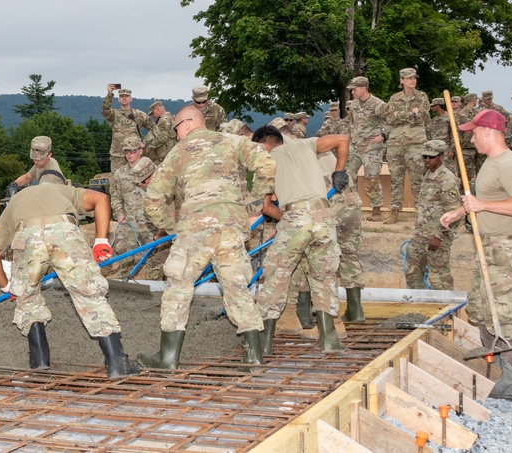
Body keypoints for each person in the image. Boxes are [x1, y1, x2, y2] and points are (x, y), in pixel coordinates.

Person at [140, 106, 276, 367]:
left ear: (187, 124)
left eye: (176, 128)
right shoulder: (232, 141)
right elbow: (266, 162)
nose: (176, 134)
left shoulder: (176, 153)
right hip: (230, 228)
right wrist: (253, 203)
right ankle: (253, 355)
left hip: (195, 228)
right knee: (237, 288)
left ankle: (168, 358)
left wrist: (171, 227)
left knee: (178, 287)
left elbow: (154, 199)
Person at [0, 175, 140, 379]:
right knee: (88, 293)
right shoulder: (66, 191)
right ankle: (118, 363)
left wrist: (8, 287)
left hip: (27, 235)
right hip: (64, 232)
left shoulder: (17, 199)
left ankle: (39, 360)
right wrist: (101, 240)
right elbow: (101, 199)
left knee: (28, 298)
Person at [440, 109, 512, 402]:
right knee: (482, 307)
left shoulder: (508, 164)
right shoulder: (490, 163)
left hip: (504, 248)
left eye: (473, 132)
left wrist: (481, 204)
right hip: (488, 245)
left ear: (489, 132)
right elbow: (486, 202)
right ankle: (494, 364)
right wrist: (460, 211)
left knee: (505, 312)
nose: (470, 137)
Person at [252, 126, 349, 354]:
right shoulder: (306, 144)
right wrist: (339, 172)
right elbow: (342, 138)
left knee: (277, 276)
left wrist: (286, 220)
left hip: (295, 217)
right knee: (324, 277)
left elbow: (266, 207)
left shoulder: (267, 162)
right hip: (323, 217)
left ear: (263, 145)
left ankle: (264, 344)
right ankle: (329, 340)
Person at [406, 140, 461, 290]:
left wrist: (439, 237)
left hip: (436, 237)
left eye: (432, 157)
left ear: (441, 156)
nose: (427, 160)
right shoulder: (429, 174)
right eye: (425, 157)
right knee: (412, 270)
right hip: (421, 235)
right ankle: (418, 307)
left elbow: (455, 212)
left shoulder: (446, 179)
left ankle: (446, 309)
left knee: (439, 276)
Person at [109, 137, 166, 280]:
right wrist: (119, 214)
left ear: (140, 151)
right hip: (129, 223)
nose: (129, 154)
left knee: (154, 258)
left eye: (133, 151)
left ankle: (155, 286)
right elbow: (116, 197)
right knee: (125, 256)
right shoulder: (119, 174)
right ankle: (123, 284)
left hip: (150, 224)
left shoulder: (153, 171)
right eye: (126, 151)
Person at [380, 67, 430, 224]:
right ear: (402, 80)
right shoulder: (394, 98)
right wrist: (410, 114)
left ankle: (421, 213)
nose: (412, 80)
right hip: (396, 144)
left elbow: (421, 116)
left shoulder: (422, 97)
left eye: (414, 78)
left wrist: (400, 115)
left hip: (415, 144)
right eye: (409, 78)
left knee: (417, 180)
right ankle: (394, 211)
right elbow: (389, 118)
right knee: (396, 179)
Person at [346, 76, 387, 222]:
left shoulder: (378, 104)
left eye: (354, 89)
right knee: (348, 177)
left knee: (371, 178)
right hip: (355, 147)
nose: (352, 92)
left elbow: (392, 119)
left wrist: (383, 134)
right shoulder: (354, 104)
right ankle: (351, 208)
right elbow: (351, 123)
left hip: (372, 148)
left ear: (363, 88)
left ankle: (376, 211)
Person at [102, 85, 155, 172]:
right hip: (118, 155)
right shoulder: (114, 115)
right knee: (117, 181)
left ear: (131, 99)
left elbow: (154, 128)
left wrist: (144, 143)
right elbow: (105, 110)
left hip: (134, 154)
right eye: (121, 96)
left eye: (126, 96)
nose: (124, 98)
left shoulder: (139, 115)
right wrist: (109, 94)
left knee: (137, 180)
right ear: (118, 99)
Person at [143, 100, 177, 165]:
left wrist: (150, 146)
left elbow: (162, 138)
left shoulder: (163, 120)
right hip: (171, 152)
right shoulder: (170, 117)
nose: (153, 115)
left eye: (153, 113)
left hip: (166, 153)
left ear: (157, 109)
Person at [428, 98, 456, 174]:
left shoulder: (450, 118)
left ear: (438, 106)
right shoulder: (433, 120)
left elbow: (454, 135)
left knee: (449, 171)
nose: (431, 108)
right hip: (435, 150)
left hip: (446, 150)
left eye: (433, 106)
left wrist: (452, 150)